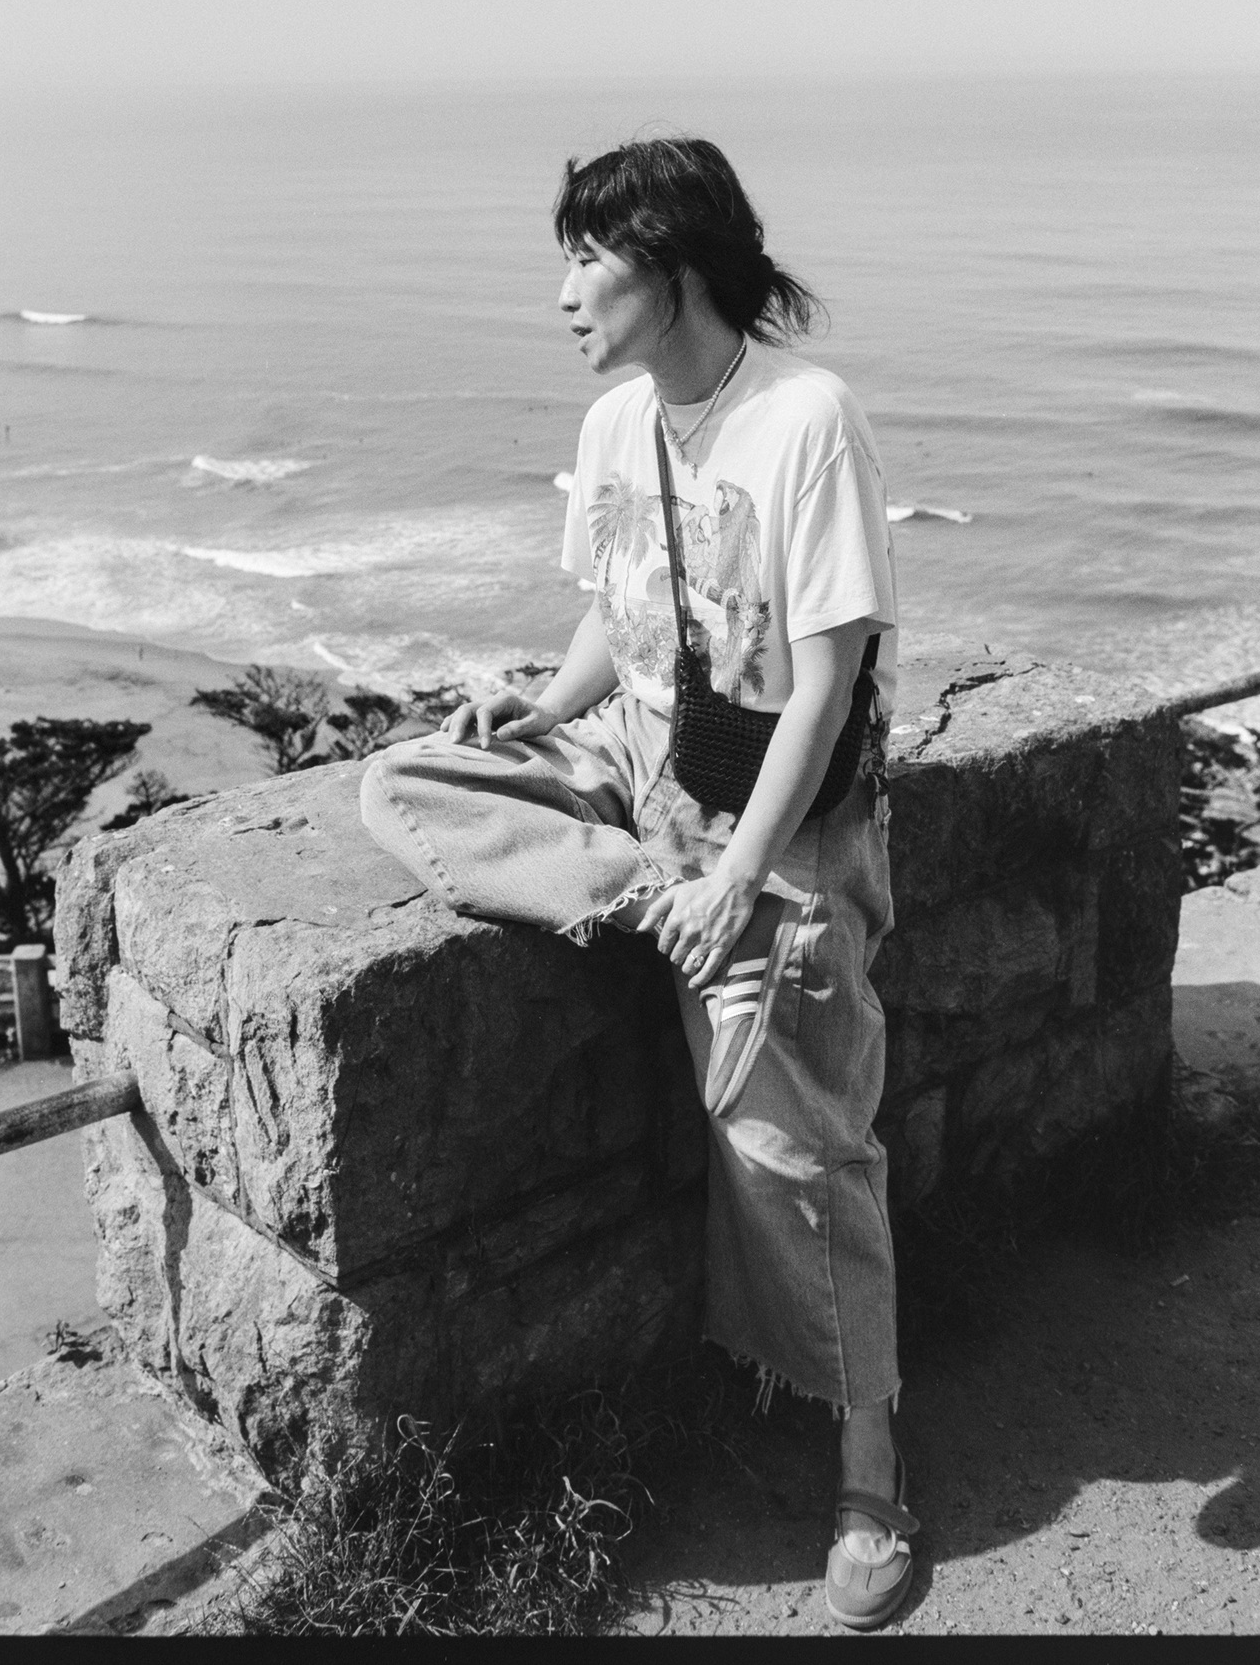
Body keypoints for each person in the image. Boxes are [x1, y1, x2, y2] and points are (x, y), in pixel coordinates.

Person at [359, 135, 914, 1630]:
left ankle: (870, 1467)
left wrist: (736, 874)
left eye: (583, 262)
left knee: (797, 1149)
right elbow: (619, 612)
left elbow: (825, 683)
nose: (561, 295)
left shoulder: (806, 422)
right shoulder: (617, 427)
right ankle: (628, 894)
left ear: (669, 270)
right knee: (400, 778)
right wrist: (540, 706)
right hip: (640, 775)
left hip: (772, 822)